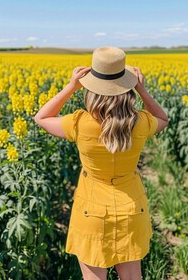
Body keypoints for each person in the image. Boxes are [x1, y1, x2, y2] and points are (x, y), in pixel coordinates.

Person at [34, 46, 168, 280]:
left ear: (91, 90)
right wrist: (143, 91)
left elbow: (41, 118)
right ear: (128, 89)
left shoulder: (80, 124)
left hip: (91, 212)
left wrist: (71, 86)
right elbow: (163, 119)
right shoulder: (140, 123)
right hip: (132, 209)